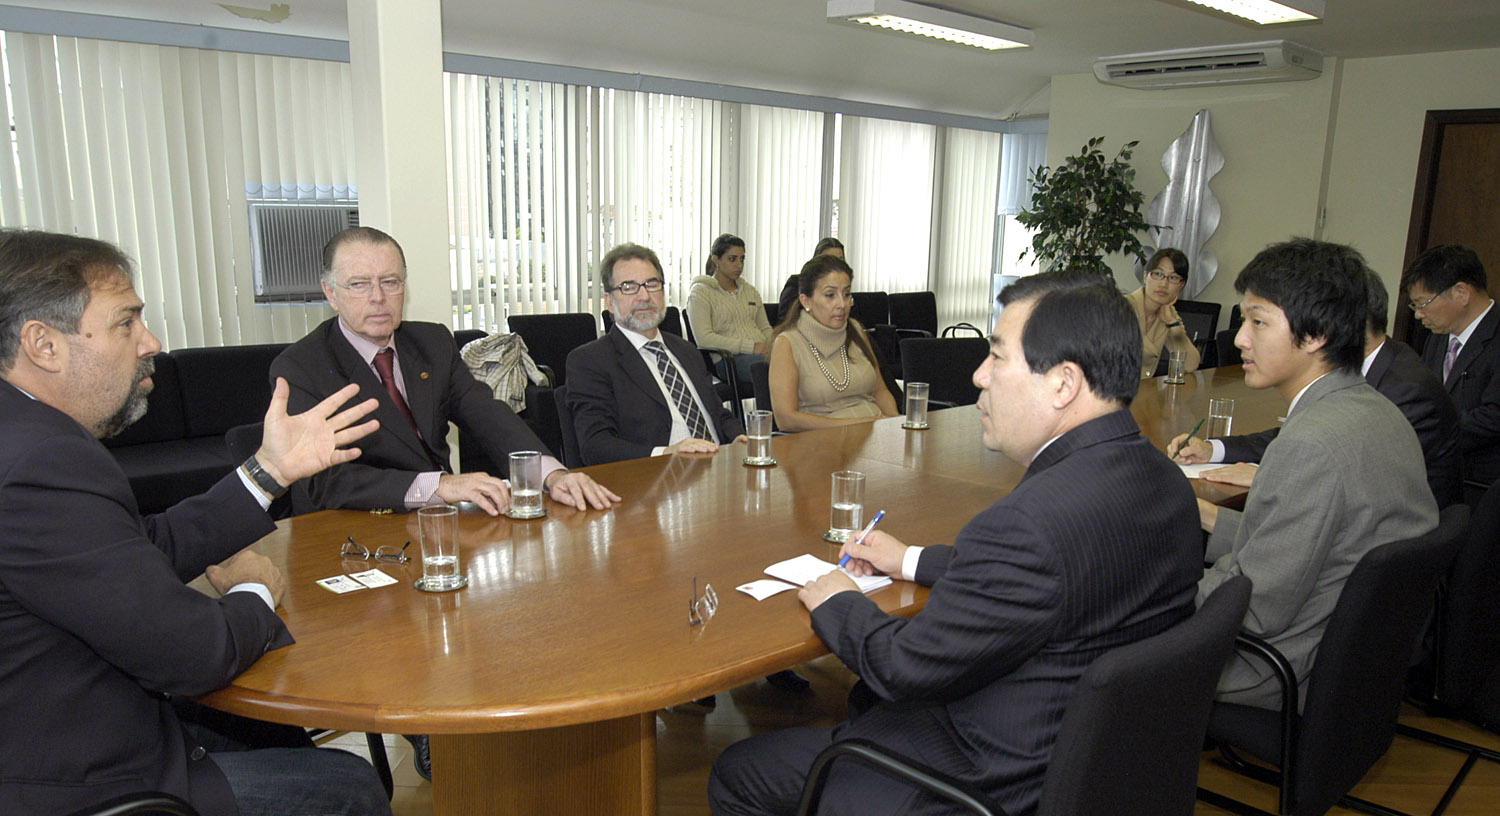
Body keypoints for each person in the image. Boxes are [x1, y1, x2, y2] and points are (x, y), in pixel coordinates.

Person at [707, 274, 1203, 816]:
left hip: (987, 777)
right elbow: (1044, 577)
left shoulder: (1027, 524)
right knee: (863, 703)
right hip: (1096, 760)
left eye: (997, 357)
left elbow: (903, 666)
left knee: (739, 771)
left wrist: (837, 599)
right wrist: (910, 559)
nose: (978, 375)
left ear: (1063, 383)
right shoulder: (1164, 481)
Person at [0, 229, 392, 816]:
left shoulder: (26, 435)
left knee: (271, 731)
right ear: (43, 344)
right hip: (77, 774)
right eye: (125, 323)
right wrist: (258, 590)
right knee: (346, 785)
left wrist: (270, 468)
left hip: (63, 710)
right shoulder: (41, 462)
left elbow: (139, 545)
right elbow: (194, 653)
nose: (150, 341)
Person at [1191, 238, 1437, 710]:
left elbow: (1257, 608)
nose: (1240, 337)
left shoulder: (1310, 443)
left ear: (1316, 334)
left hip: (1280, 666)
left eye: (1258, 321)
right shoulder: (1377, 410)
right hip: (1352, 663)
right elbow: (1310, 543)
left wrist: (1155, 590)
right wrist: (1207, 515)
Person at [270, 227, 620, 516]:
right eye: (359, 284)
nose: (378, 297)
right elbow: (326, 482)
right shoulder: (301, 367)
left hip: (441, 522)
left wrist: (550, 474)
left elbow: (487, 415)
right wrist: (439, 485)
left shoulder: (431, 342)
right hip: (352, 530)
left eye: (390, 281)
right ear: (331, 293)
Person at [1172, 267, 1462, 508]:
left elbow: (1351, 482)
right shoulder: (1357, 374)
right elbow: (1294, 435)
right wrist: (1215, 449)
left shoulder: (1404, 389)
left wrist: (1266, 476)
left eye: (1259, 322)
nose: (1241, 339)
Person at [566, 242, 747, 465]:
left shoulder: (685, 349)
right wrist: (665, 453)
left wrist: (739, 437)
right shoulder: (590, 361)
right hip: (655, 481)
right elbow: (595, 445)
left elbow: (717, 412)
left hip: (720, 469)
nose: (644, 296)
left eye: (651, 284)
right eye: (628, 287)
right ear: (610, 302)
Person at [1402, 243, 1500, 488]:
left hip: (1480, 485)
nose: (1418, 315)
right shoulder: (1437, 338)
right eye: (1414, 306)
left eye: (1422, 303)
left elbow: (1494, 417)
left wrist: (1430, 432)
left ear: (1461, 293)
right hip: (1437, 477)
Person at [767, 254, 899, 431]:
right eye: (830, 295)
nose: (842, 304)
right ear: (806, 300)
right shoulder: (787, 343)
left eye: (846, 294)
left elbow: (880, 391)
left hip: (874, 435)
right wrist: (858, 424)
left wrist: (894, 423)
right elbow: (786, 419)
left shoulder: (856, 330)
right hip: (823, 444)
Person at [686, 233, 774, 383]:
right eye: (732, 259)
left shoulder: (750, 291)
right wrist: (751, 347)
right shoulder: (701, 292)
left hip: (760, 354)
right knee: (776, 369)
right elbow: (704, 339)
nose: (739, 265)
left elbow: (765, 328)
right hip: (728, 360)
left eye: (742, 259)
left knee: (796, 362)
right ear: (716, 259)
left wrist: (775, 346)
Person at [1126, 248, 1201, 378]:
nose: (1164, 284)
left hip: (1142, 392)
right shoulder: (1121, 307)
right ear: (1145, 276)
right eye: (1158, 274)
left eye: (1173, 277)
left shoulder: (1168, 314)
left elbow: (1190, 364)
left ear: (1181, 285)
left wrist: (1173, 324)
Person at [778, 237, 844, 323]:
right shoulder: (795, 285)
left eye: (840, 260)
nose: (836, 265)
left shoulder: (843, 290)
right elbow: (787, 320)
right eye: (829, 259)